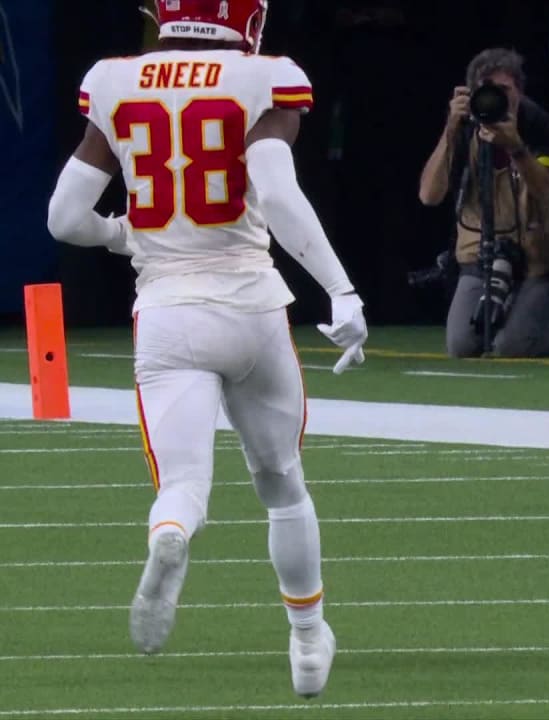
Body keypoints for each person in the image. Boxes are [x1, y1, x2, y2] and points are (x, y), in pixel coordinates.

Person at [46, 0, 359, 697]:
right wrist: (341, 290)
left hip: (166, 309)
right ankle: (308, 640)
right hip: (250, 306)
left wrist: (124, 234)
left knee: (183, 485)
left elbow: (65, 218)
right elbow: (277, 195)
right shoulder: (265, 76)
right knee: (282, 486)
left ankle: (171, 533)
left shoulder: (114, 79)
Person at [418, 48, 549, 358]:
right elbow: (429, 195)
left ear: (519, 91)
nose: (494, 99)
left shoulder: (540, 125)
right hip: (482, 254)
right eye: (486, 91)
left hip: (539, 258)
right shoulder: (464, 129)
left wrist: (516, 148)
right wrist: (450, 129)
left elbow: (548, 193)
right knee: (462, 346)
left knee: (511, 346)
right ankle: (513, 311)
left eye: (503, 90)